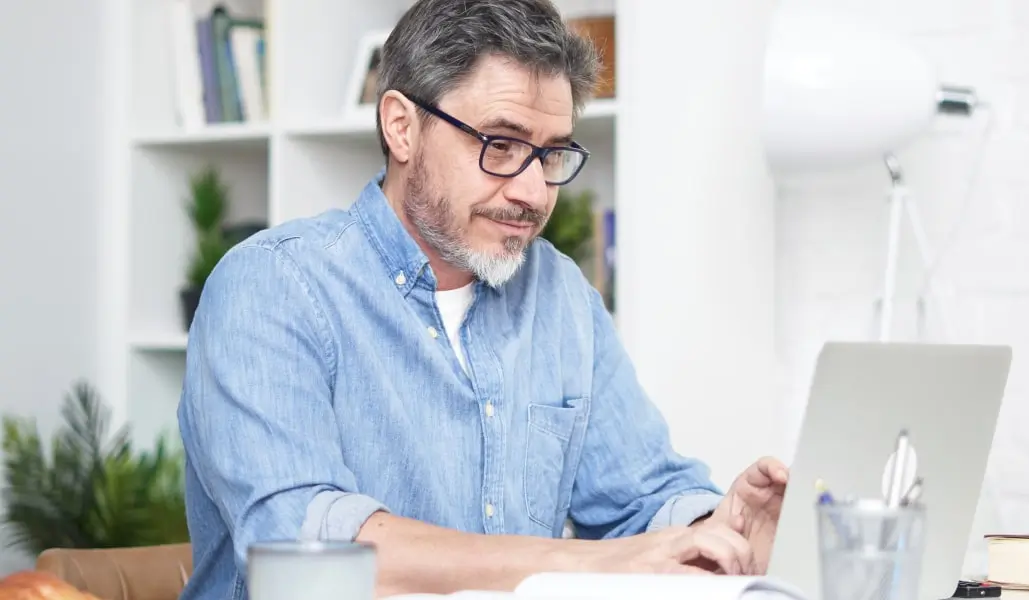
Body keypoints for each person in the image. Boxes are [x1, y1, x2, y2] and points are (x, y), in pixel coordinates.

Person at [176, 1, 789, 598]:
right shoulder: (273, 286)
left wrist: (720, 532)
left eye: (551, 154)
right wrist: (588, 563)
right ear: (401, 127)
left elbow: (641, 497)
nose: (533, 192)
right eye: (500, 145)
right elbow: (308, 552)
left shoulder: (560, 295)